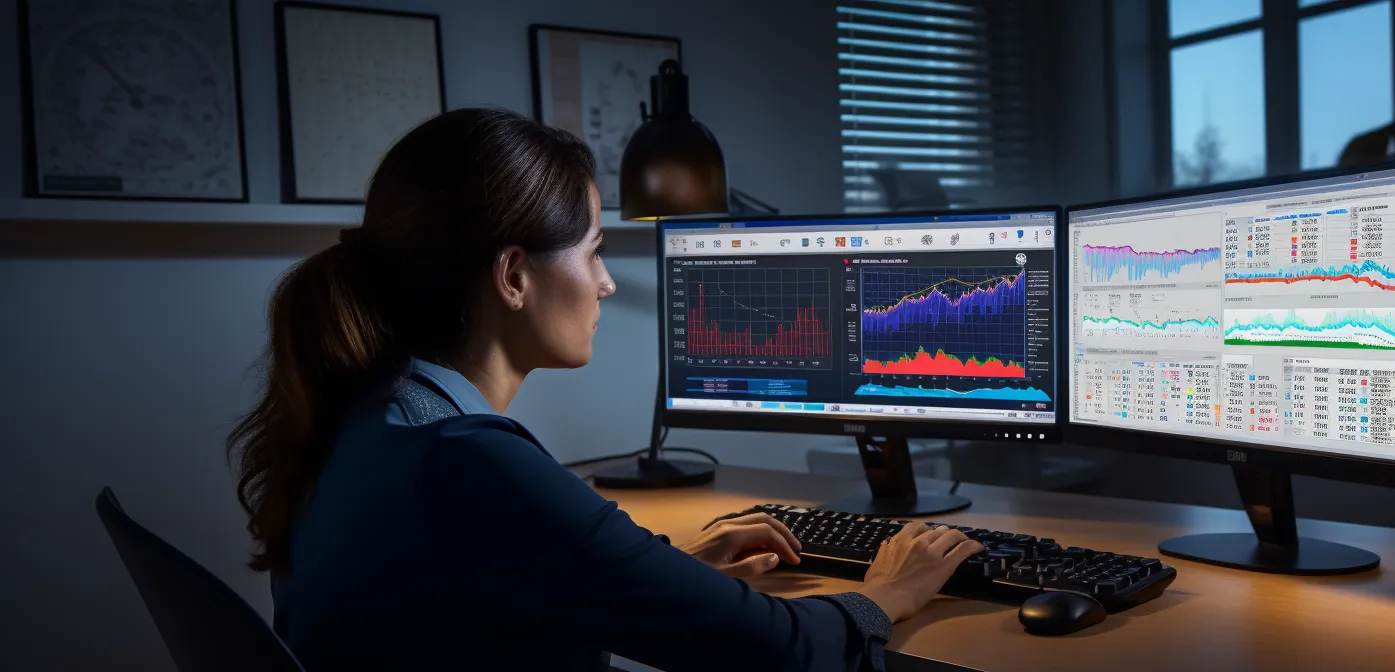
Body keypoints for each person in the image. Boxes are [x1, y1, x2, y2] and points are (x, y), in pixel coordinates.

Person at [227, 108, 983, 671]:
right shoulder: (466, 462)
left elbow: (489, 587)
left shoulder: (376, 415)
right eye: (593, 252)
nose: (607, 282)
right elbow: (778, 652)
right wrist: (889, 592)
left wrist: (657, 574)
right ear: (514, 275)